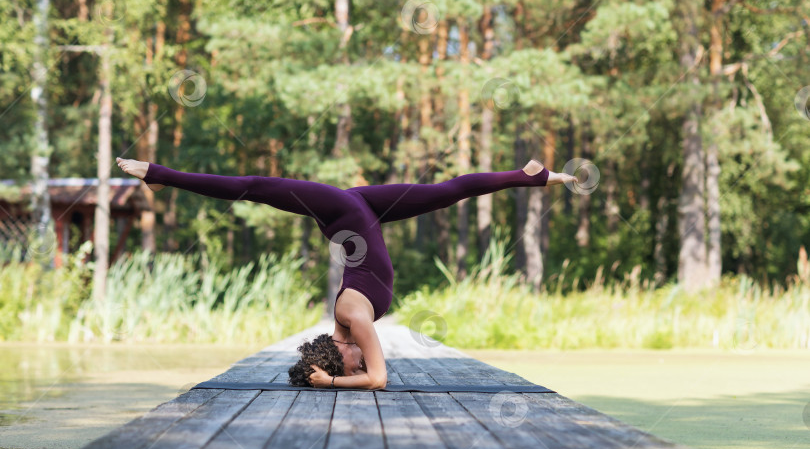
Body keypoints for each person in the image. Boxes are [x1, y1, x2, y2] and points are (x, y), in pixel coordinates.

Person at [116, 156, 577, 389]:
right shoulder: (350, 319)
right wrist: (330, 378)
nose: (362, 361)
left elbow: (377, 379)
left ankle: (161, 175)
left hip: (343, 211)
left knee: (256, 188)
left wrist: (332, 382)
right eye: (351, 366)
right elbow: (374, 375)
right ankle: (532, 175)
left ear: (340, 354)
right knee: (445, 192)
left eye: (349, 363)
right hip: (359, 211)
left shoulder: (354, 320)